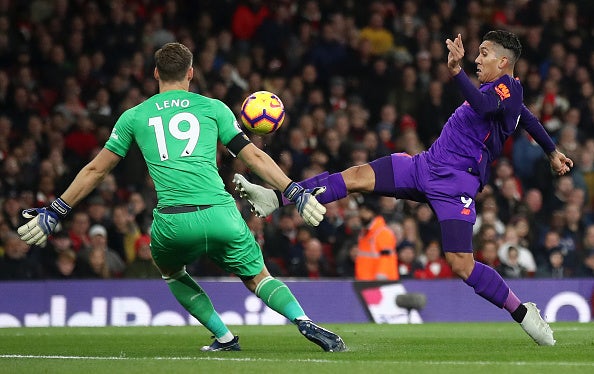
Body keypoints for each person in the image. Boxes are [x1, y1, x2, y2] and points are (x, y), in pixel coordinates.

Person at [235, 31, 575, 346]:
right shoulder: (503, 95)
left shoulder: (507, 90)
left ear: (503, 62)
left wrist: (455, 71)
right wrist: (552, 150)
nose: (477, 59)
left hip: (455, 183)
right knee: (355, 176)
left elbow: (491, 109)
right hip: (423, 166)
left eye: (484, 54)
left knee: (461, 265)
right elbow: (526, 118)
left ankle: (523, 311)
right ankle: (275, 197)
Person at [16, 42, 345, 353]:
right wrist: (293, 190)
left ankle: (224, 336)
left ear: (156, 73)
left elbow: (96, 171)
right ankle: (305, 321)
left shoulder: (134, 116)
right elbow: (254, 158)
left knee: (169, 268)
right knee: (257, 276)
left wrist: (56, 210)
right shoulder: (213, 108)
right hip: (221, 215)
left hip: (173, 221)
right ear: (191, 73)